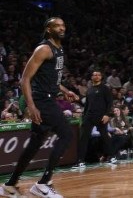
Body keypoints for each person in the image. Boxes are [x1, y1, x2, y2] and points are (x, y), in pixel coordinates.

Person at [0, 17, 77, 198]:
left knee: (35, 144)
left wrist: (65, 90)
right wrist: (32, 106)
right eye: (57, 26)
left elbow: (51, 78)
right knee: (66, 134)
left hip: (48, 98)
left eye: (63, 25)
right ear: (48, 30)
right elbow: (25, 79)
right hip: (42, 101)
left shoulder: (59, 48)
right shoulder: (44, 49)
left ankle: (10, 185)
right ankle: (43, 184)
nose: (61, 28)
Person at [75, 70, 116, 168]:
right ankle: (80, 161)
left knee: (104, 135)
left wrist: (107, 114)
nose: (96, 76)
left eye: (98, 75)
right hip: (89, 116)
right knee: (83, 138)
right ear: (91, 77)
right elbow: (87, 105)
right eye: (94, 75)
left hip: (101, 116)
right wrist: (83, 118)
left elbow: (110, 102)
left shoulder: (105, 88)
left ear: (101, 77)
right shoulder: (89, 89)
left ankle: (112, 156)